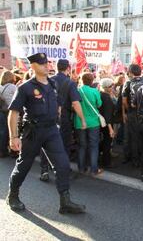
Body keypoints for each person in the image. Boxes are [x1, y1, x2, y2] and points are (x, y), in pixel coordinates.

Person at [6, 52, 85, 214]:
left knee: (62, 164)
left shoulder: (54, 84)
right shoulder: (25, 87)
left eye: (47, 63)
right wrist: (13, 136)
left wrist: (56, 121)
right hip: (33, 132)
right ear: (34, 66)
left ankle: (65, 201)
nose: (47, 66)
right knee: (24, 166)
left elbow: (59, 105)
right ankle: (13, 196)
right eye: (42, 64)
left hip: (51, 131)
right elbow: (14, 113)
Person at [39, 59, 86, 182]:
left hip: (46, 117)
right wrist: (82, 119)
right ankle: (64, 171)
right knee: (63, 145)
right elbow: (76, 103)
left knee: (46, 143)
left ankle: (44, 170)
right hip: (63, 118)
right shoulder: (70, 83)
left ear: (56, 67)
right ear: (68, 68)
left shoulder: (48, 80)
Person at [75, 72, 103, 176]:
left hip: (79, 121)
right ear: (92, 81)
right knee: (94, 145)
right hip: (93, 122)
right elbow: (99, 104)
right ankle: (94, 169)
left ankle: (81, 168)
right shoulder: (94, 91)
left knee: (82, 145)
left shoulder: (77, 90)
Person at [121, 64, 143, 166]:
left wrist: (129, 110)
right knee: (142, 136)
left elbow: (124, 101)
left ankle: (134, 159)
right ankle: (142, 157)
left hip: (133, 112)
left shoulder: (128, 83)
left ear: (130, 73)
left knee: (133, 136)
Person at [99, 78, 116, 169]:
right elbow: (108, 114)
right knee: (107, 142)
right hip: (106, 123)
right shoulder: (106, 98)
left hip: (100, 121)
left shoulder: (99, 94)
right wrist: (110, 129)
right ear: (106, 87)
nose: (112, 87)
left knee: (104, 141)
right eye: (111, 86)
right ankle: (106, 162)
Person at [0, 71, 17, 158]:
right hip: (10, 111)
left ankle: (2, 150)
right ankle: (13, 151)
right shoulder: (13, 87)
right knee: (12, 131)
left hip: (1, 111)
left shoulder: (0, 87)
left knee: (2, 131)